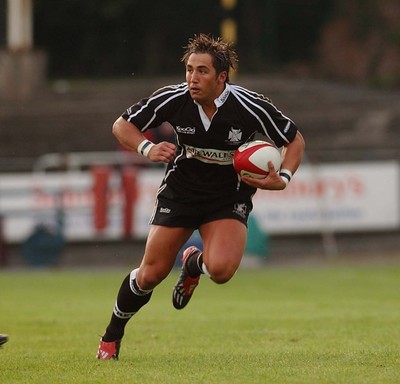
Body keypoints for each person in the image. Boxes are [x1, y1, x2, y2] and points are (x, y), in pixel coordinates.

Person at [96, 33, 305, 360]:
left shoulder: (249, 106)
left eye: (202, 71)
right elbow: (122, 126)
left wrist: (285, 178)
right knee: (151, 274)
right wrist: (147, 148)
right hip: (181, 192)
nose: (193, 78)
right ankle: (112, 335)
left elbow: (294, 141)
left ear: (221, 77)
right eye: (190, 70)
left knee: (221, 271)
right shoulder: (173, 98)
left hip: (227, 195)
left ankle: (194, 264)